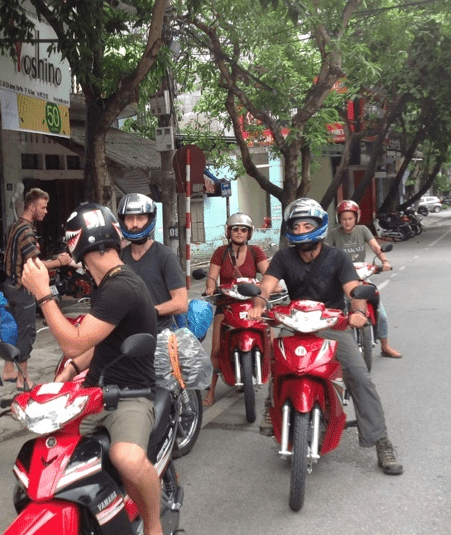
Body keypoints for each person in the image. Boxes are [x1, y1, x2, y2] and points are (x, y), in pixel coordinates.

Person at [22, 202, 176, 535]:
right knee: (46, 462)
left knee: (126, 456)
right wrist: (73, 370)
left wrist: (43, 293)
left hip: (131, 395)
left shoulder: (121, 286)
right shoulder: (111, 285)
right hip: (94, 391)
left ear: (79, 244)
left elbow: (73, 341)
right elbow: (97, 340)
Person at [248, 198, 404, 475]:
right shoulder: (284, 257)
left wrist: (358, 312)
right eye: (296, 225)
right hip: (295, 322)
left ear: (319, 226)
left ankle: (381, 440)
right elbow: (266, 286)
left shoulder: (337, 257)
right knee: (277, 358)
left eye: (307, 224)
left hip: (332, 323)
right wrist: (258, 305)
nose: (301, 229)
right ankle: (272, 407)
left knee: (358, 375)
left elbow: (353, 290)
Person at [0, 187, 73, 390]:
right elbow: (34, 265)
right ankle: (24, 379)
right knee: (27, 333)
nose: (46, 211)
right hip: (22, 289)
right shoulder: (26, 231)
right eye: (43, 207)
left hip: (9, 285)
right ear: (32, 207)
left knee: (13, 331)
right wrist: (59, 261)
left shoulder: (13, 226)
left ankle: (8, 370)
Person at [202, 213, 270, 406]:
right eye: (235, 229)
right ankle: (210, 392)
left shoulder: (256, 252)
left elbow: (268, 274)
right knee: (215, 349)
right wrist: (210, 286)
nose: (239, 233)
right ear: (228, 231)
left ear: (249, 233)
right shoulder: (221, 252)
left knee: (271, 338)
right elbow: (212, 276)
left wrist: (273, 286)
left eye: (243, 230)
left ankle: (274, 391)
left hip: (252, 304)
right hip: (226, 303)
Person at [326, 200, 401, 359]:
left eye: (350, 218)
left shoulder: (363, 230)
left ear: (356, 218)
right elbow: (325, 253)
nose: (347, 222)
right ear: (339, 219)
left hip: (361, 276)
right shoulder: (333, 234)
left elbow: (375, 246)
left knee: (380, 309)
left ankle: (385, 346)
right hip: (340, 279)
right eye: (344, 218)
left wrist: (384, 262)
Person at [118, 193, 188, 331]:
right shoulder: (119, 258)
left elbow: (181, 303)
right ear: (123, 221)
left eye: (140, 218)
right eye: (130, 218)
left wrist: (149, 311)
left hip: (159, 334)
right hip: (124, 334)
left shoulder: (166, 256)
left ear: (150, 219)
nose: (135, 224)